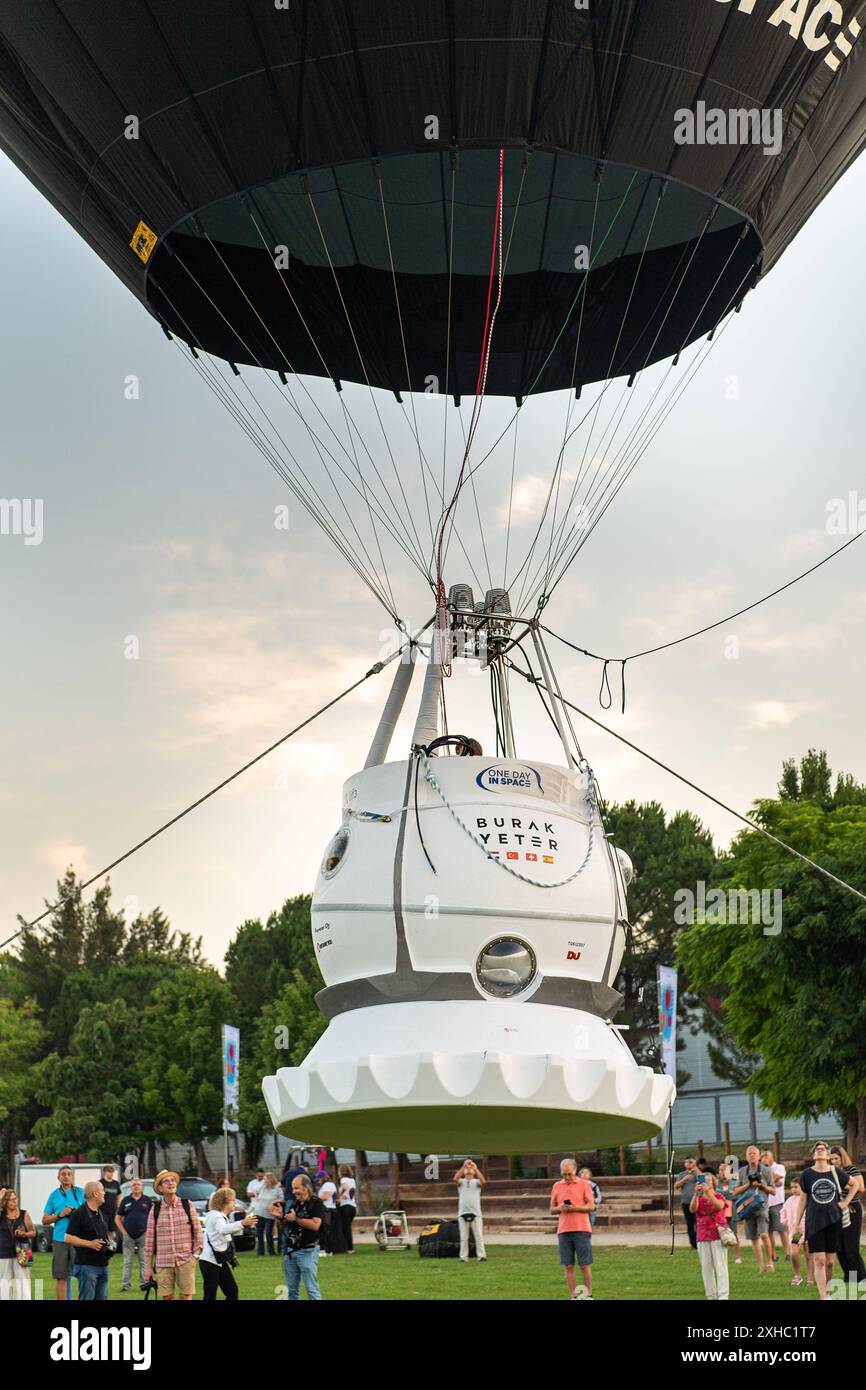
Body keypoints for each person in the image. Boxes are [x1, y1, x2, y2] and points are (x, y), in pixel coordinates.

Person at [792, 1141, 848, 1300]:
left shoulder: (835, 1172)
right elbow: (803, 1200)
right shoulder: (807, 1174)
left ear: (828, 1155)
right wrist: (797, 1223)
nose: (820, 1150)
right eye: (817, 1149)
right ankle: (823, 1296)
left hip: (833, 1220)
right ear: (814, 1155)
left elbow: (855, 1184)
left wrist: (845, 1202)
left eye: (823, 1149)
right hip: (814, 1221)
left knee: (830, 1262)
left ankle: (828, 1291)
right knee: (819, 1259)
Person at [143, 1169, 203, 1301]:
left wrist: (195, 1256)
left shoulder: (187, 1205)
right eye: (166, 1181)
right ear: (160, 1188)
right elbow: (149, 1241)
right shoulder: (155, 1209)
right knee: (167, 1297)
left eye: (173, 1180)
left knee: (186, 1297)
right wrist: (148, 1268)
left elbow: (198, 1232)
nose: (171, 1183)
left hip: (186, 1260)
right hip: (163, 1262)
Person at [273, 1173, 325, 1301]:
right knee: (291, 1291)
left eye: (296, 1188)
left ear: (306, 1188)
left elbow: (315, 1225)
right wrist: (280, 1217)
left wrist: (296, 1218)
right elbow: (287, 1222)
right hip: (291, 1251)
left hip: (307, 1250)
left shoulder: (316, 1203)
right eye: (292, 1188)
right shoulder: (295, 1203)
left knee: (311, 1289)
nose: (293, 1191)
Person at [200, 1186, 257, 1300]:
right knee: (211, 1295)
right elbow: (223, 1229)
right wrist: (242, 1223)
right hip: (210, 1261)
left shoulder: (219, 1215)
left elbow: (226, 1232)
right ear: (224, 1202)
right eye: (233, 1200)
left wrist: (243, 1224)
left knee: (232, 1291)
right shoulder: (216, 1216)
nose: (234, 1202)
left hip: (217, 1260)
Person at [550, 1158, 595, 1300]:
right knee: (568, 1265)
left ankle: (588, 1295)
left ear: (575, 1171)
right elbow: (551, 1209)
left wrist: (576, 1208)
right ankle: (573, 1296)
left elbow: (591, 1206)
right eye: (564, 1174)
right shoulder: (556, 1186)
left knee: (584, 1264)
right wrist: (560, 1208)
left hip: (582, 1229)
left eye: (569, 1174)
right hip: (564, 1230)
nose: (567, 1177)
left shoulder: (584, 1185)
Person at [43, 1164, 85, 1301]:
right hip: (60, 1239)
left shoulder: (80, 1192)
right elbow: (45, 1220)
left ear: (72, 1177)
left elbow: (89, 1213)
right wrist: (60, 1215)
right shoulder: (54, 1195)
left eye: (69, 1174)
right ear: (58, 1177)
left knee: (83, 1274)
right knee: (61, 1276)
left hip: (78, 1239)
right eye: (63, 1174)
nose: (66, 1176)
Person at [64, 1180, 111, 1301]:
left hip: (103, 1265)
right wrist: (90, 1244)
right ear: (95, 1194)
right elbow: (67, 1237)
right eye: (102, 1191)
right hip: (87, 1266)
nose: (104, 1193)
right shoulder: (79, 1214)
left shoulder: (100, 1212)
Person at [732, 1146, 776, 1273]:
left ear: (759, 1156)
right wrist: (748, 1185)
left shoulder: (766, 1171)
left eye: (754, 1153)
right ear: (746, 1157)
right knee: (753, 1238)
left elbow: (773, 1191)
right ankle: (761, 1266)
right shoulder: (742, 1172)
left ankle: (769, 1262)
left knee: (763, 1234)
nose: (752, 1155)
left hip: (762, 1207)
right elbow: (735, 1191)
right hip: (747, 1209)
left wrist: (762, 1185)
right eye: (749, 1154)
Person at [690, 1169, 729, 1300]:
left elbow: (719, 1206)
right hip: (702, 1236)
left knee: (721, 1267)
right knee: (706, 1268)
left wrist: (708, 1192)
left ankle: (723, 1296)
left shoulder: (719, 1196)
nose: (705, 1181)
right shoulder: (699, 1198)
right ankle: (710, 1296)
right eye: (703, 1179)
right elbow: (692, 1209)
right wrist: (696, 1194)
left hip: (717, 1234)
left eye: (708, 1179)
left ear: (713, 1182)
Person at [829, 1144, 865, 1283]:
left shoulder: (851, 1169)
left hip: (852, 1209)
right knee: (839, 1246)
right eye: (831, 1159)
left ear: (842, 1157)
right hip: (837, 1210)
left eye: (836, 1158)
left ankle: (861, 1277)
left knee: (851, 1246)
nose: (833, 1161)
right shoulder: (830, 1171)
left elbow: (860, 1187)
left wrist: (846, 1199)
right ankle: (850, 1277)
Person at [116, 1176, 152, 1292]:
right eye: (134, 1185)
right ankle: (126, 1286)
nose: (136, 1186)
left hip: (144, 1235)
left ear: (142, 1187)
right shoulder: (125, 1200)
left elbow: (153, 1218)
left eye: (138, 1185)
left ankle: (144, 1284)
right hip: (128, 1236)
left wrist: (148, 1231)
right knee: (127, 1262)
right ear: (131, 1187)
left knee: (144, 1261)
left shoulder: (147, 1200)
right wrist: (124, 1233)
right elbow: (117, 1218)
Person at [0, 1187, 36, 1300]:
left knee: (24, 1284)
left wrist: (24, 1234)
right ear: (5, 1202)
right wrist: (0, 1197)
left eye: (16, 1199)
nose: (15, 1202)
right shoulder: (1, 1214)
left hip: (23, 1251)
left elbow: (34, 1232)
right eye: (11, 1200)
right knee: (5, 1285)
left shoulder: (24, 1214)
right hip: (3, 1253)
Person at [780, 1177, 813, 1287]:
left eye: (796, 1187)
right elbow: (783, 1212)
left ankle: (810, 1278)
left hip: (808, 1231)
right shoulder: (789, 1200)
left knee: (809, 1256)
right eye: (792, 1187)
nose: (793, 1189)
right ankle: (797, 1275)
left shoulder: (809, 1199)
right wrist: (786, 1222)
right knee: (794, 1254)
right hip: (796, 1232)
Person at [454, 1159, 487, 1262]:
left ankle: (481, 1256)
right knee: (464, 1237)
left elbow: (483, 1181)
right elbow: (455, 1178)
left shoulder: (476, 1182)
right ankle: (463, 1257)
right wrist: (464, 1166)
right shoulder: (461, 1182)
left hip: (476, 1213)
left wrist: (476, 1168)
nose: (469, 1170)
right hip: (462, 1213)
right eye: (467, 1169)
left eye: (470, 1169)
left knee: (479, 1236)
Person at [760, 1149, 788, 1263]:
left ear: (772, 1157)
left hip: (777, 1203)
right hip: (765, 1204)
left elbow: (777, 1178)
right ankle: (773, 1255)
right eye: (762, 1156)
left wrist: (766, 1172)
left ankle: (788, 1253)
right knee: (769, 1231)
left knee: (782, 1230)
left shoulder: (779, 1167)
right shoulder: (760, 1169)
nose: (763, 1157)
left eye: (766, 1155)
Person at [252, 1172, 283, 1256]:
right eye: (264, 1179)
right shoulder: (262, 1187)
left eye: (266, 1179)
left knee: (268, 1233)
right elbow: (254, 1191)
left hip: (269, 1214)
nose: (264, 1181)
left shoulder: (277, 1189)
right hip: (258, 1212)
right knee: (259, 1233)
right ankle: (260, 1251)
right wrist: (257, 1198)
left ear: (270, 1180)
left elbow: (282, 1199)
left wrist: (273, 1201)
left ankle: (271, 1251)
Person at [716, 1163, 742, 1264]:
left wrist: (722, 1194)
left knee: (734, 1234)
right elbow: (716, 1194)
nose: (722, 1173)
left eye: (724, 1170)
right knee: (720, 1234)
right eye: (720, 1170)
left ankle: (737, 1257)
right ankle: (722, 1257)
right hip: (720, 1212)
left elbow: (734, 1195)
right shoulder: (717, 1183)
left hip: (731, 1212)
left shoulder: (734, 1182)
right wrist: (727, 1194)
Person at [673, 1156, 699, 1249]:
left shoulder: (697, 1173)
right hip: (686, 1202)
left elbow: (703, 1181)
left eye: (690, 1162)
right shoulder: (682, 1174)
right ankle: (693, 1244)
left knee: (698, 1222)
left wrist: (695, 1169)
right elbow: (676, 1186)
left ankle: (699, 1241)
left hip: (697, 1202)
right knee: (690, 1223)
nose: (688, 1164)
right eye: (686, 1162)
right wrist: (684, 1179)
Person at [101, 1164, 122, 1249]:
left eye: (112, 1172)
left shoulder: (116, 1183)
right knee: (104, 1229)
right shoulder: (101, 1183)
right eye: (109, 1172)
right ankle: (103, 1244)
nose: (111, 1174)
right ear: (105, 1172)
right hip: (103, 1211)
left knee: (111, 1229)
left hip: (113, 1211)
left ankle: (110, 1245)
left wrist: (118, 1208)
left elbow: (118, 1196)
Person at [337, 1165, 357, 1253]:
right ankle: (348, 1247)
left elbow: (344, 1188)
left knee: (345, 1228)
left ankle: (349, 1248)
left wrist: (341, 1195)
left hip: (345, 1206)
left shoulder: (343, 1179)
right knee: (347, 1227)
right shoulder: (352, 1180)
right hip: (353, 1206)